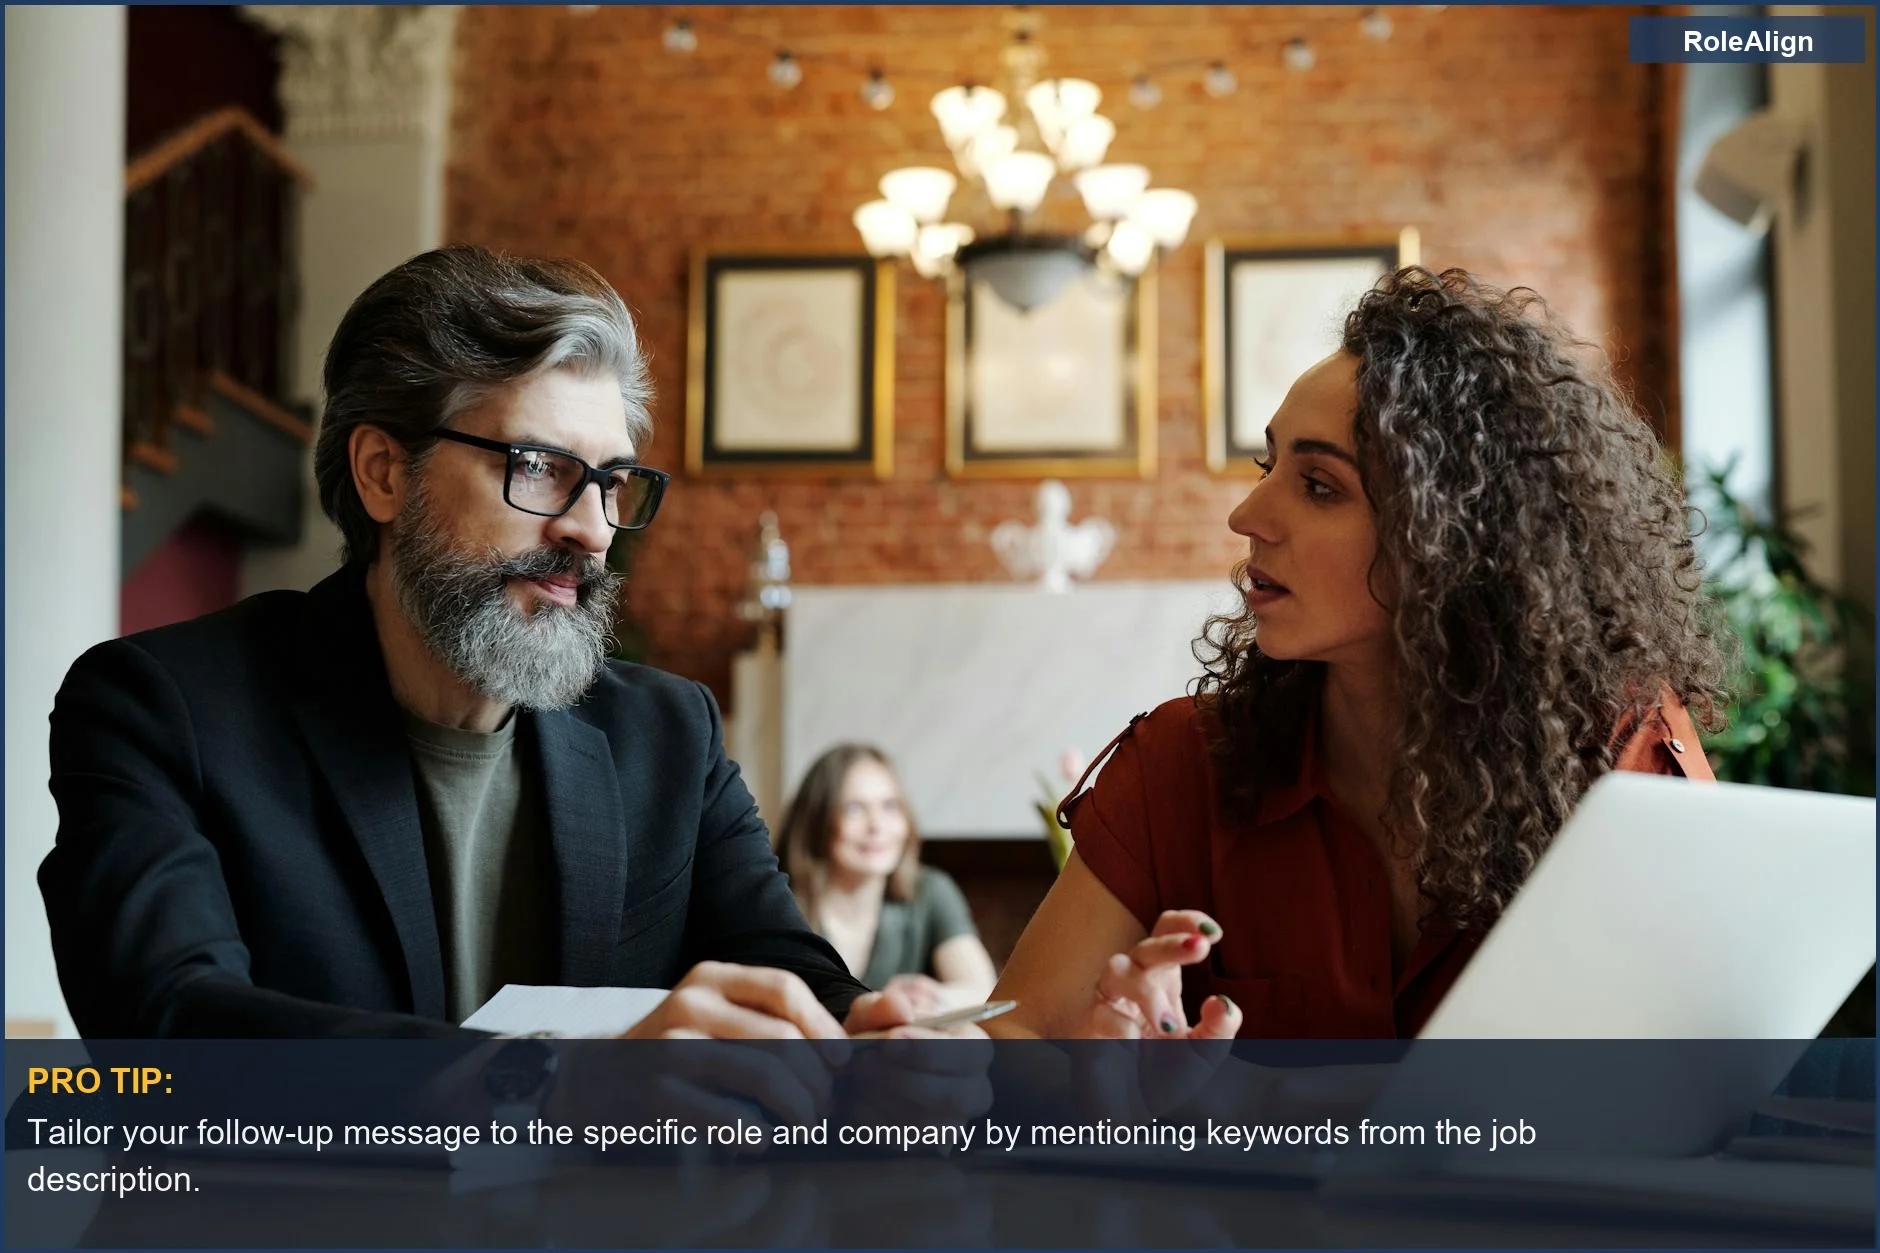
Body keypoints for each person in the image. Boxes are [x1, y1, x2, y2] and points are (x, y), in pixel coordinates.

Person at [40, 244, 931, 1043]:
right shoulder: (160, 707)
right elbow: (168, 1025)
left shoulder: (667, 732)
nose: (594, 529)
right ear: (384, 473)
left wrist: (873, 1031)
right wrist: (549, 1093)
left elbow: (781, 965)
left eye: (614, 482)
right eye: (540, 467)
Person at [990, 267, 1730, 1042]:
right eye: (1267, 465)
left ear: (1453, 540)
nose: (1248, 515)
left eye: (1318, 486)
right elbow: (1012, 1043)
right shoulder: (1181, 766)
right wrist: (1094, 1077)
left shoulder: (1623, 753)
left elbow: (1709, 1064)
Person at [775, 745, 998, 1013]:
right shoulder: (777, 903)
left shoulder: (931, 890)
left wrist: (936, 1000)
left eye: (890, 806)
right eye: (854, 808)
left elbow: (983, 989)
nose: (877, 825)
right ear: (816, 820)